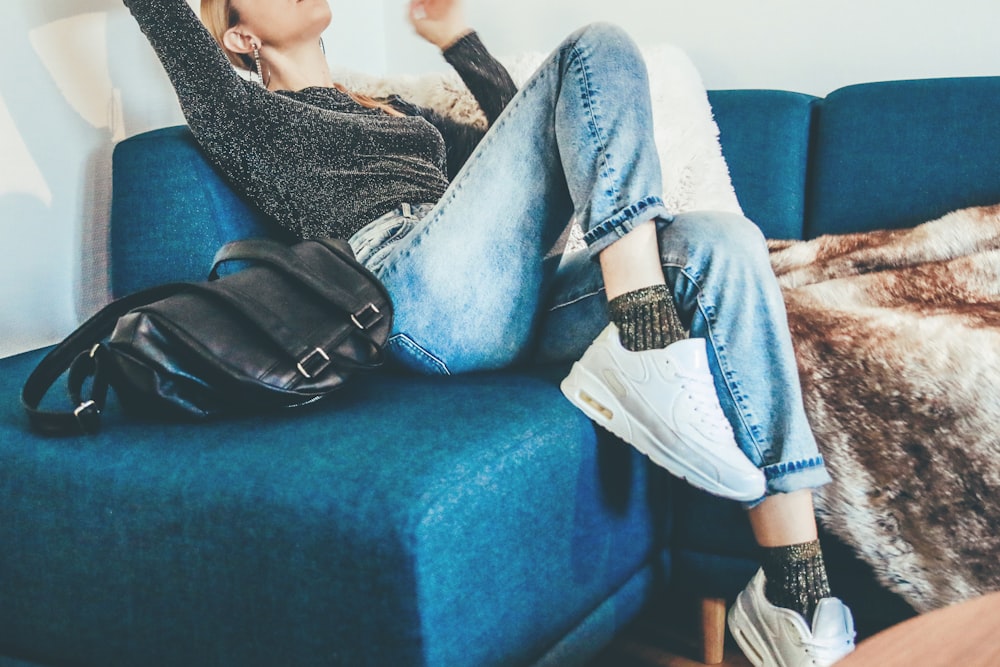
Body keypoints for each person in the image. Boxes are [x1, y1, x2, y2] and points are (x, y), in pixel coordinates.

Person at [122, 0, 856, 664]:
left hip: (506, 289)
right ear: (240, 35)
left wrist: (458, 41)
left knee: (722, 241)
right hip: (412, 288)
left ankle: (794, 596)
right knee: (595, 41)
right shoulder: (241, 115)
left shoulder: (391, 110)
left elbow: (550, 128)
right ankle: (645, 337)